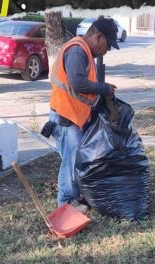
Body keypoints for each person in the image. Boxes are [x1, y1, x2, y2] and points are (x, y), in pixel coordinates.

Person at [48, 16, 119, 212]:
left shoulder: (84, 51)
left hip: (71, 116)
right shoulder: (78, 50)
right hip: (65, 117)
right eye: (108, 44)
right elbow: (77, 83)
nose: (108, 50)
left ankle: (72, 196)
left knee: (73, 160)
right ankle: (66, 202)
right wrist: (103, 88)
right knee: (70, 162)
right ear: (97, 36)